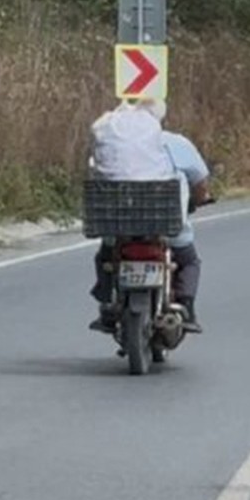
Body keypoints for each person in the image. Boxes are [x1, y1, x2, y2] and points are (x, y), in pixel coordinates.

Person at [88, 99, 210, 334]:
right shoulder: (172, 142)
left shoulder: (109, 141)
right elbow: (199, 180)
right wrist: (200, 197)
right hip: (162, 220)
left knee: (105, 254)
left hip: (118, 222)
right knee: (188, 259)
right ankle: (186, 305)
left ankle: (105, 298)